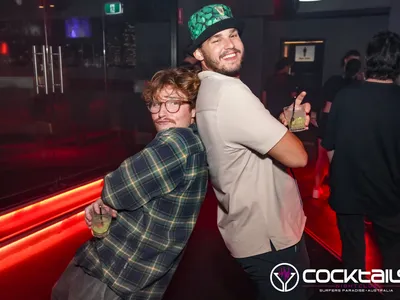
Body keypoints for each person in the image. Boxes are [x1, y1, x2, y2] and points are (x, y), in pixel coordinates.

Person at [52, 68, 208, 300]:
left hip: (117, 270)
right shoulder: (194, 142)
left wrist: (110, 194)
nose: (162, 112)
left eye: (173, 103)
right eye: (155, 104)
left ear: (193, 110)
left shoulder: (178, 141)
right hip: (129, 268)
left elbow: (117, 189)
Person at [188, 4, 311, 299]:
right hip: (271, 240)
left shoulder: (209, 89)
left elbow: (243, 141)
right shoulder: (230, 93)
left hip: (248, 231)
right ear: (199, 54)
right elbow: (299, 157)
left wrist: (281, 124)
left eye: (233, 35)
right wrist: (285, 134)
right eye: (216, 40)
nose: (230, 45)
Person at [322, 31, 400, 299]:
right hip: (391, 194)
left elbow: (329, 146)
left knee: (352, 256)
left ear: (369, 59)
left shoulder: (345, 96)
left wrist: (341, 175)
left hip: (349, 191)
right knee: (393, 258)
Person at [312, 50, 362, 199]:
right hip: (336, 121)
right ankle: (320, 188)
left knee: (330, 158)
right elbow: (321, 97)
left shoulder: (354, 83)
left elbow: (321, 98)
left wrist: (315, 113)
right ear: (345, 61)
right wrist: (314, 113)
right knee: (326, 158)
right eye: (353, 61)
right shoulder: (353, 84)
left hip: (336, 120)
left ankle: (320, 189)